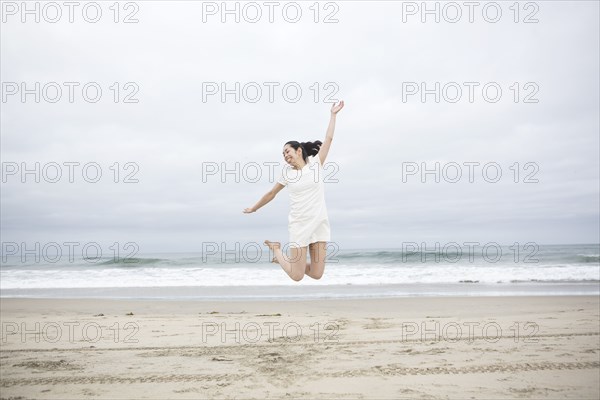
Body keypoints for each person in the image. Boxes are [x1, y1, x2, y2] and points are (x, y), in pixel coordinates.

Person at [242, 100, 345, 281]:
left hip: (319, 223)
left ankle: (285, 259)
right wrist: (254, 208)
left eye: (287, 151)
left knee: (316, 274)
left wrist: (333, 115)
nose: (285, 156)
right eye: (283, 154)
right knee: (297, 276)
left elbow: (328, 139)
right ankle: (276, 249)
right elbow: (271, 194)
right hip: (299, 225)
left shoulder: (316, 164)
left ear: (299, 151)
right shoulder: (287, 174)